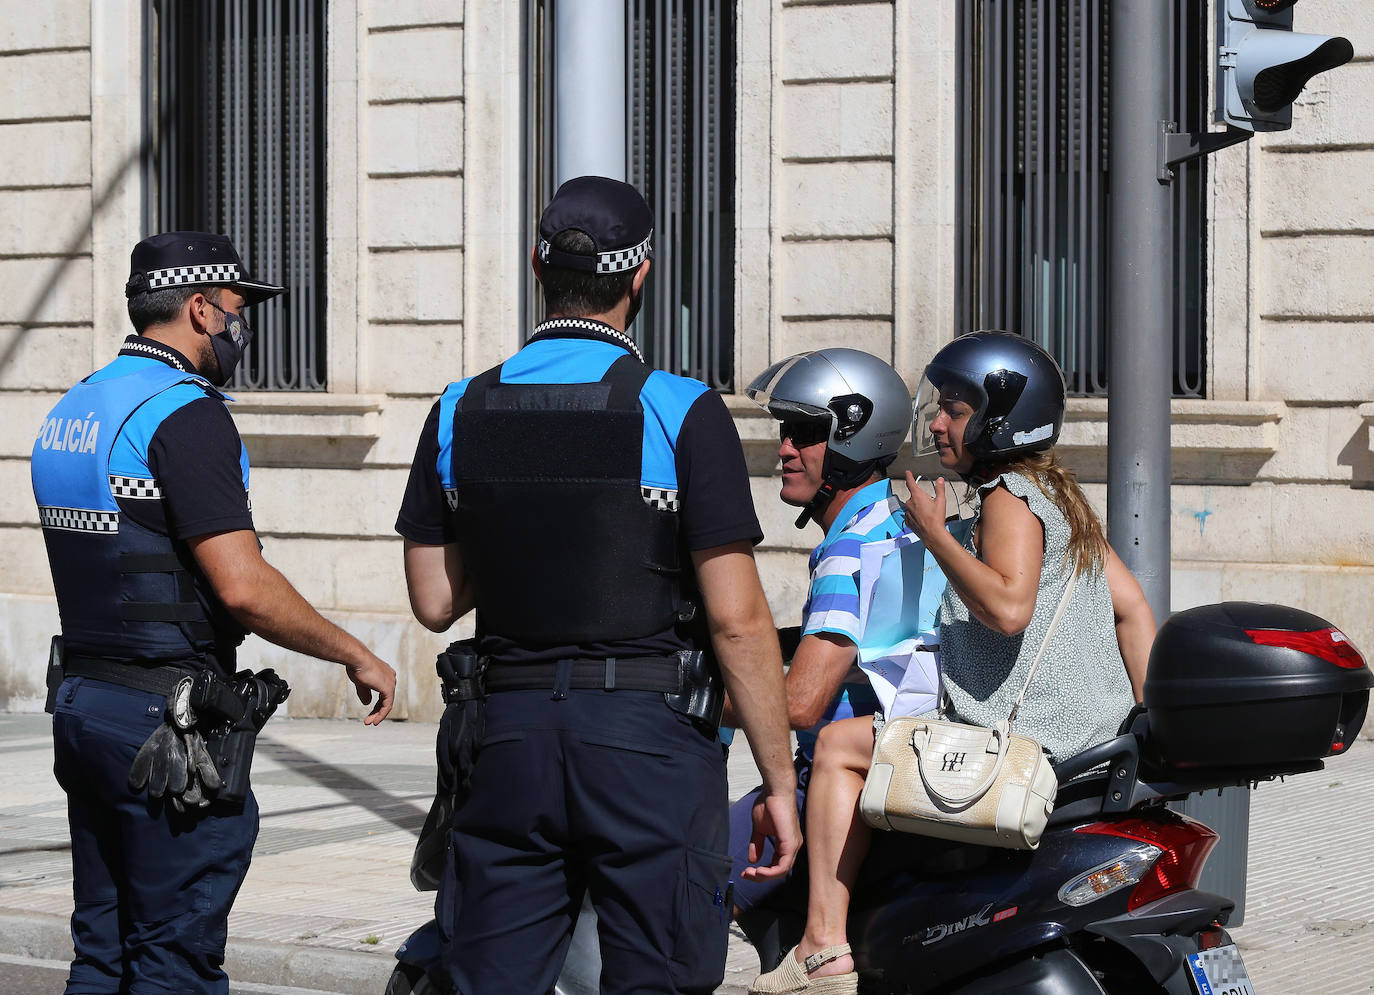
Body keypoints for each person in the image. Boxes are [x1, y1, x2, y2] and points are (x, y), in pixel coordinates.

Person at [395, 175, 801, 995]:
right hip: (645, 743)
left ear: (538, 264)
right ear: (640, 275)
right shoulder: (680, 411)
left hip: (507, 737)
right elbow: (738, 623)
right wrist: (780, 779)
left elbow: (436, 601)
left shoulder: (458, 407)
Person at [30, 231, 398, 995]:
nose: (242, 326)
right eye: (237, 307)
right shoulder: (186, 414)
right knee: (174, 960)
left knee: (102, 951)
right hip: (163, 732)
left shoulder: (74, 407)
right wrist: (353, 651)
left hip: (83, 706)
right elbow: (242, 586)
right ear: (200, 308)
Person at [748, 331, 1155, 995]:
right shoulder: (1062, 498)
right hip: (1088, 742)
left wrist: (937, 535)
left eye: (956, 410)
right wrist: (1146, 720)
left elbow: (1009, 607)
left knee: (837, 750)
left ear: (1000, 421)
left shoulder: (1005, 497)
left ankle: (822, 946)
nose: (936, 421)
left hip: (1024, 738)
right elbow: (1134, 608)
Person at [728, 348, 949, 932]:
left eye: (803, 434)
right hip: (891, 764)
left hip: (834, 782)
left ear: (853, 440)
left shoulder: (847, 550)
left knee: (683, 876)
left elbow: (802, 703)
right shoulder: (896, 523)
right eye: (784, 432)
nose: (784, 450)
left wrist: (688, 697)